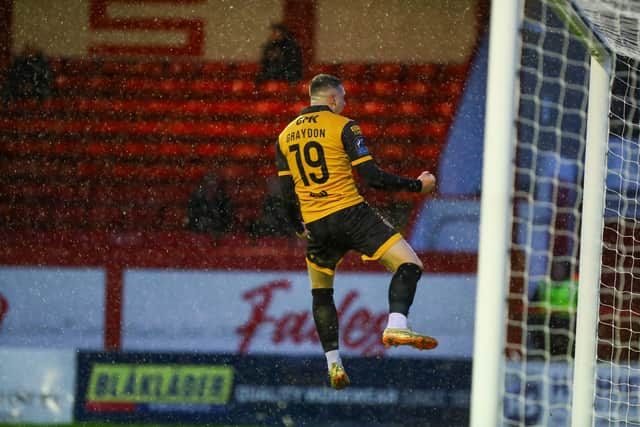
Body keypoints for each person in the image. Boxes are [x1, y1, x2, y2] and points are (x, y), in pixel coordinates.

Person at [275, 74, 438, 390]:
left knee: (321, 292)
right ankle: (396, 324)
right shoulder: (344, 126)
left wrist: (298, 226)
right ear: (333, 99)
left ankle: (333, 364)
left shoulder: (284, 136)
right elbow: (372, 177)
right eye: (344, 98)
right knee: (409, 265)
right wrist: (418, 185)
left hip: (317, 225)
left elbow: (286, 192)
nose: (345, 104)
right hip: (351, 214)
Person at [187, 173, 233, 239]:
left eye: (213, 185)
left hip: (219, 235)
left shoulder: (223, 199)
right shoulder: (196, 199)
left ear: (217, 186)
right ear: (204, 185)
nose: (211, 188)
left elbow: (227, 220)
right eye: (208, 185)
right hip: (199, 236)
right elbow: (192, 218)